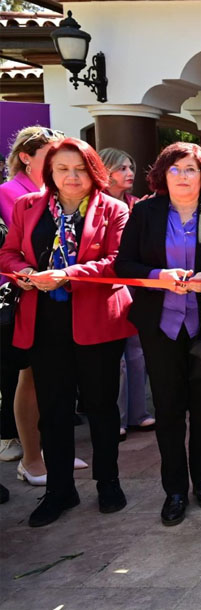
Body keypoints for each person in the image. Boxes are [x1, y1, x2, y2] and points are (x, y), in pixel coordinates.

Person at [0, 137, 136, 527]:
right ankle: (59, 489)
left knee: (102, 408)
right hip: (44, 323)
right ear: (49, 173)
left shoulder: (113, 209)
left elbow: (116, 262)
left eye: (79, 168)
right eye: (62, 169)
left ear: (92, 170)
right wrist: (23, 273)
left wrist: (68, 275)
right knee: (55, 412)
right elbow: (8, 253)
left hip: (96, 322)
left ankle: (108, 481)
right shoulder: (28, 207)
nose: (71, 176)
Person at [115, 142, 201, 526]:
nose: (183, 176)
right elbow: (123, 264)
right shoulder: (145, 212)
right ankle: (175, 489)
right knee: (168, 410)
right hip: (160, 327)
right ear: (163, 174)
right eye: (175, 169)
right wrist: (156, 277)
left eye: (192, 169)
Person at [0, 126, 63, 479]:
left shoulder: (54, 193)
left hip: (58, 299)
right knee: (27, 377)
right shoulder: (12, 195)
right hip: (22, 300)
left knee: (53, 380)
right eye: (51, 156)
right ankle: (29, 455)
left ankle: (53, 452)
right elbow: (14, 250)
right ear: (27, 157)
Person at [99, 147, 153, 441]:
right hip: (106, 288)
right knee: (115, 357)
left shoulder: (138, 204)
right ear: (104, 171)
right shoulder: (95, 205)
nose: (129, 173)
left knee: (137, 351)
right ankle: (116, 418)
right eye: (122, 168)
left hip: (136, 284)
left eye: (130, 167)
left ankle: (138, 414)